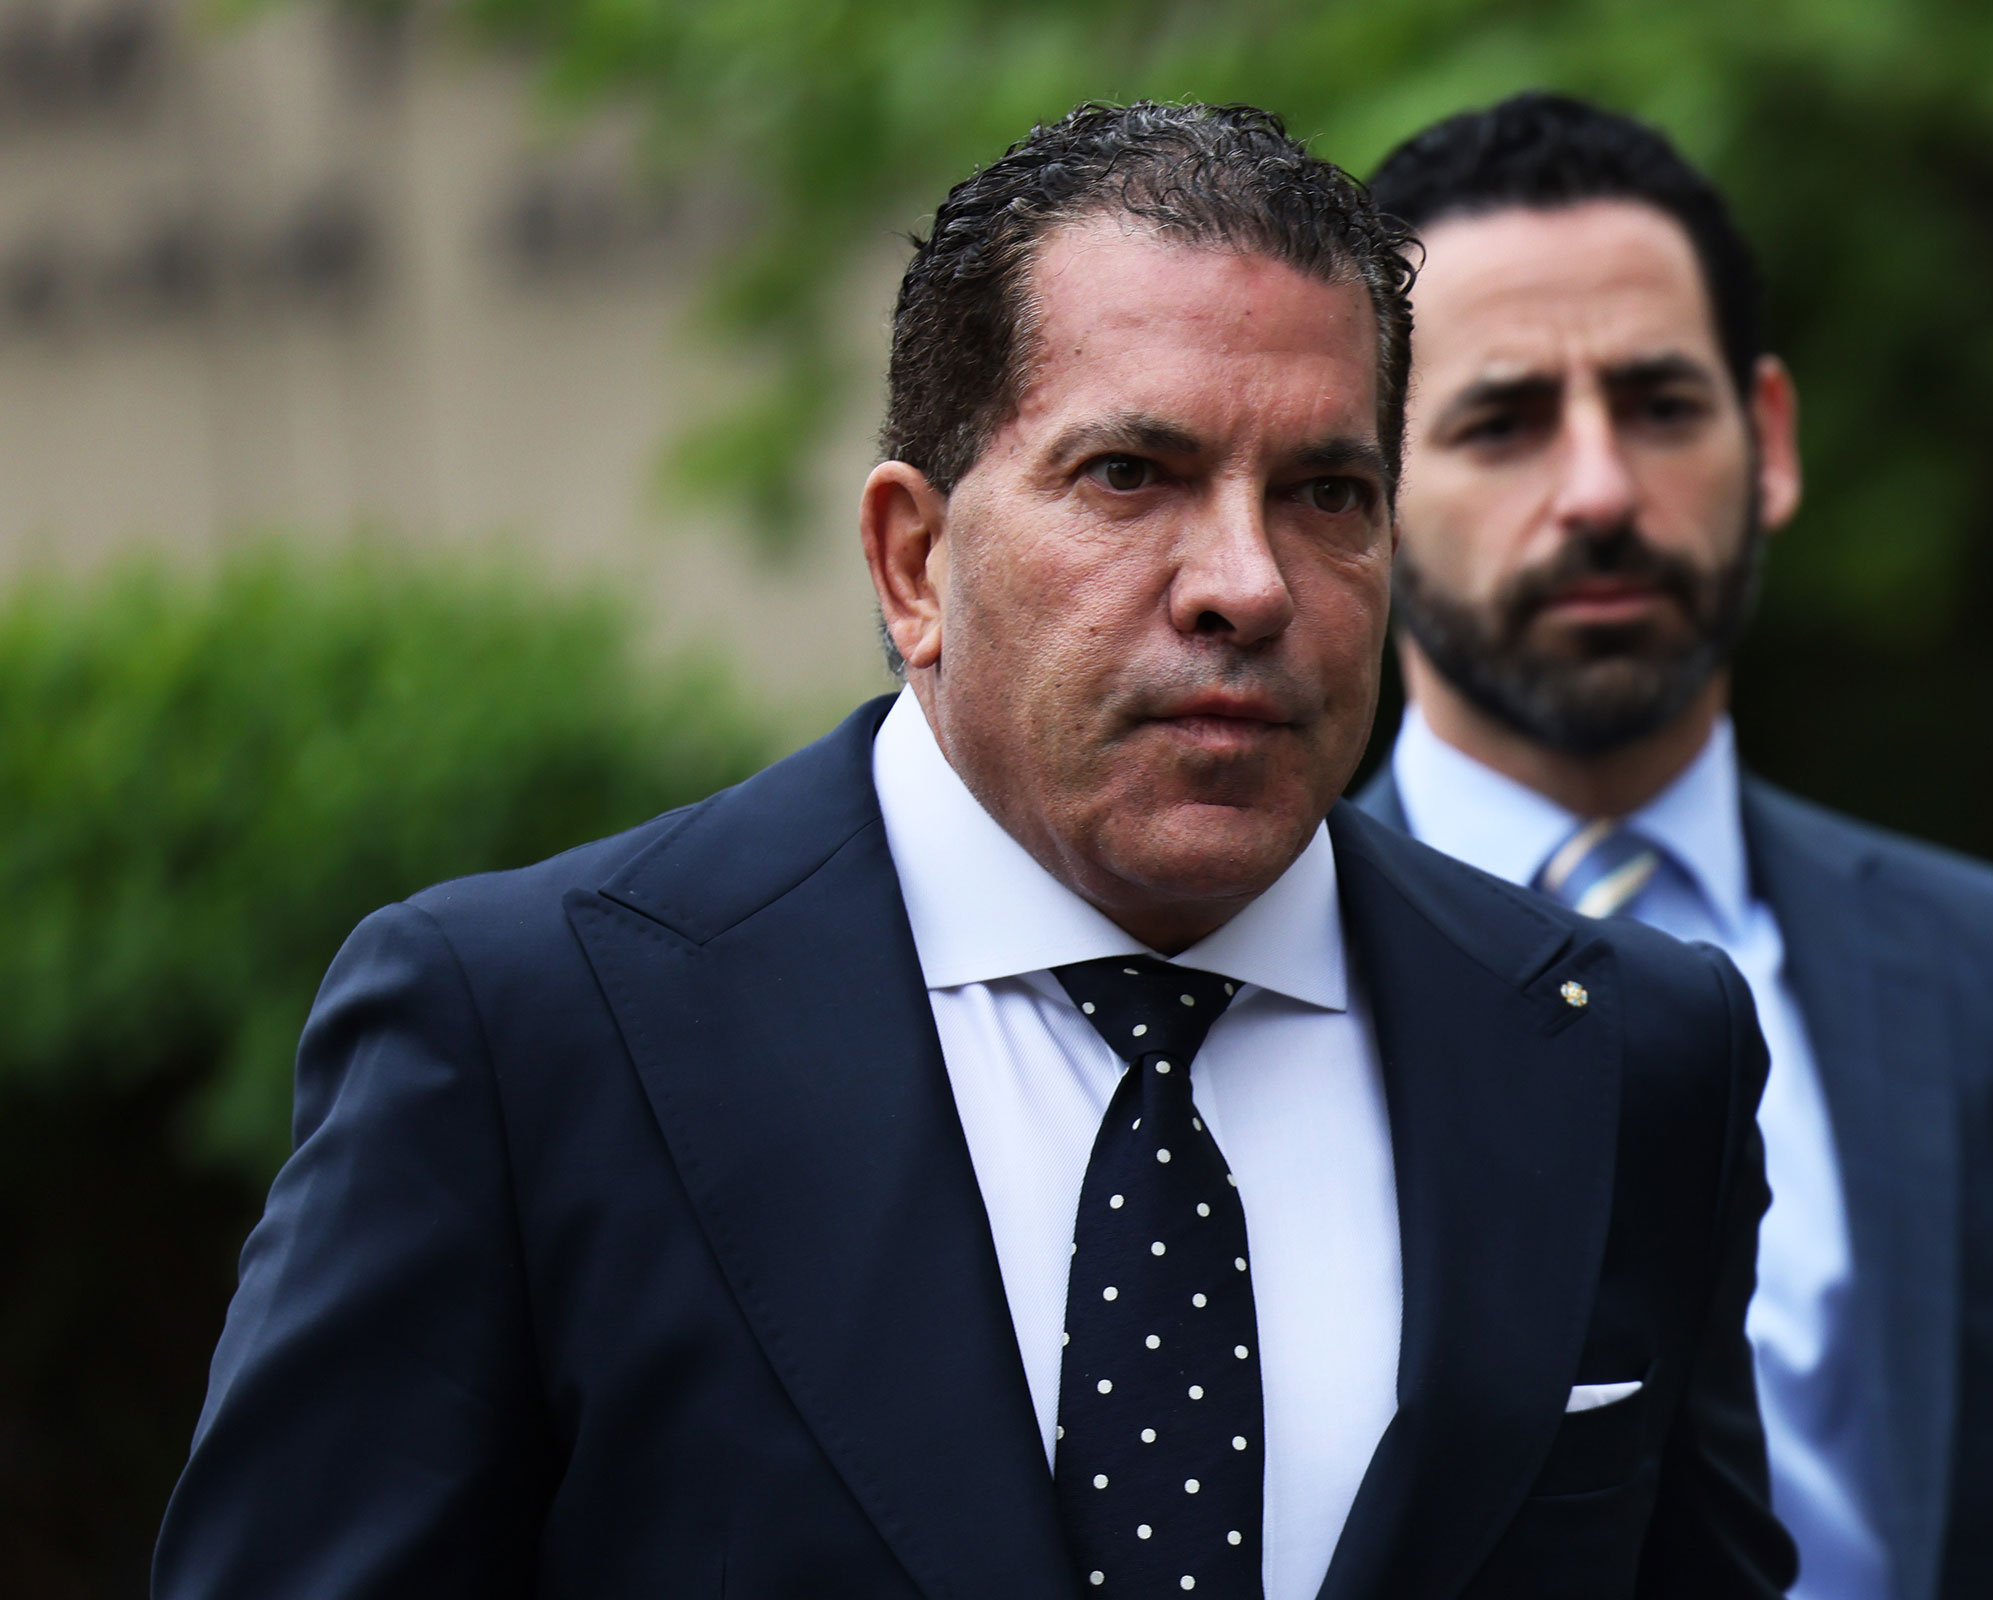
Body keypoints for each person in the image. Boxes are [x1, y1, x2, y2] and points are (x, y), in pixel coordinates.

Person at [153, 102, 1797, 1599]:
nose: (1248, 582)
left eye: (1325, 492)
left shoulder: (1630, 1057)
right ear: (912, 561)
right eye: (1131, 474)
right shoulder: (524, 1040)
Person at [1356, 92, 1993, 1600]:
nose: (1601, 489)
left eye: (1661, 405)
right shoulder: (1247, 978)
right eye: (1503, 420)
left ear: (1774, 442)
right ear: (1363, 487)